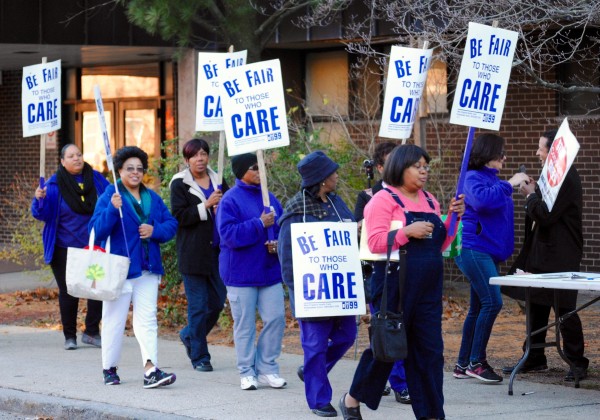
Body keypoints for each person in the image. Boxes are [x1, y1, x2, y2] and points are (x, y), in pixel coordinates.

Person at [339, 144, 464, 420]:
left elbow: (441, 243)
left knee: (430, 354)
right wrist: (406, 231)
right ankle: (351, 399)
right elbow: (372, 243)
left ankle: (432, 414)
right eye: (417, 166)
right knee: (387, 350)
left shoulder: (431, 200)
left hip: (428, 289)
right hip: (394, 286)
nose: (424, 171)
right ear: (400, 167)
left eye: (426, 166)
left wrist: (455, 218)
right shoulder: (382, 200)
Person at [502, 129, 589, 381]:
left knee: (564, 308)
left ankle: (577, 363)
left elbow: (546, 215)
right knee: (536, 304)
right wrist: (535, 189)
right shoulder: (552, 176)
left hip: (561, 253)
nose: (537, 152)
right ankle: (534, 356)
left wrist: (530, 197)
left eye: (541, 148)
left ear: (553, 152)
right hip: (542, 251)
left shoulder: (566, 178)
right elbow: (543, 208)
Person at [90, 146, 178, 388]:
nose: (135, 173)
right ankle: (109, 368)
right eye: (130, 168)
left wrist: (155, 230)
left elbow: (171, 224)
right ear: (119, 170)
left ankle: (151, 369)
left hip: (148, 269)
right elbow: (95, 231)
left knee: (147, 320)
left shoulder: (153, 198)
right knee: (113, 320)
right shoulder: (110, 195)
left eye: (139, 169)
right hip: (119, 270)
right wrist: (111, 209)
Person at [278, 151, 358, 417]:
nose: (337, 175)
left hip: (340, 285)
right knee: (314, 345)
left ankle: (312, 369)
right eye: (332, 172)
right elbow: (286, 254)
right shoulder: (295, 211)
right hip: (312, 290)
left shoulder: (336, 203)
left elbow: (350, 232)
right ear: (322, 179)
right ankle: (318, 400)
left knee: (347, 335)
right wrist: (295, 290)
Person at [452, 134, 529, 383]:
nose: (505, 158)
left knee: (477, 307)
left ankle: (463, 364)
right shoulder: (473, 178)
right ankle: (477, 362)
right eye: (501, 154)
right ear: (488, 154)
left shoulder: (489, 179)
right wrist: (510, 183)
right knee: (493, 303)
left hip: (488, 251)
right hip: (475, 249)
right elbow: (483, 201)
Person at [216, 153, 287, 391]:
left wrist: (277, 241)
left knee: (276, 318)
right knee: (245, 324)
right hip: (240, 273)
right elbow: (228, 235)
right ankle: (247, 371)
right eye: (254, 167)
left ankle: (267, 368)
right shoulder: (229, 200)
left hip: (269, 271)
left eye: (261, 167)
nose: (260, 171)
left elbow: (281, 226)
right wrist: (259, 224)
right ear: (241, 171)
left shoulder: (270, 197)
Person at [31, 143, 109, 350]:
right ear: (62, 162)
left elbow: (110, 198)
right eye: (71, 156)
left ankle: (91, 332)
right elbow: (42, 214)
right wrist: (39, 200)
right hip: (64, 247)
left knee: (96, 288)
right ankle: (70, 336)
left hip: (93, 246)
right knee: (69, 291)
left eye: (79, 154)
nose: (77, 158)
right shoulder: (53, 185)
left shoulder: (96, 179)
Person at [354, 142, 411, 405]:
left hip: (410, 270)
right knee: (387, 328)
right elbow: (362, 234)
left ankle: (383, 380)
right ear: (379, 167)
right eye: (391, 162)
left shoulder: (413, 195)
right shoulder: (369, 196)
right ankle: (396, 383)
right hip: (382, 269)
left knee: (401, 329)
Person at [170, 138, 228, 372]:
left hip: (217, 251)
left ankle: (190, 336)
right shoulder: (179, 183)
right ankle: (200, 357)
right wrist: (206, 205)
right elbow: (179, 216)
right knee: (198, 306)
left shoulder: (219, 178)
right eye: (194, 155)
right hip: (192, 253)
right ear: (187, 160)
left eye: (203, 153)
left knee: (217, 302)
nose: (200, 158)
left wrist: (221, 206)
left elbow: (230, 207)